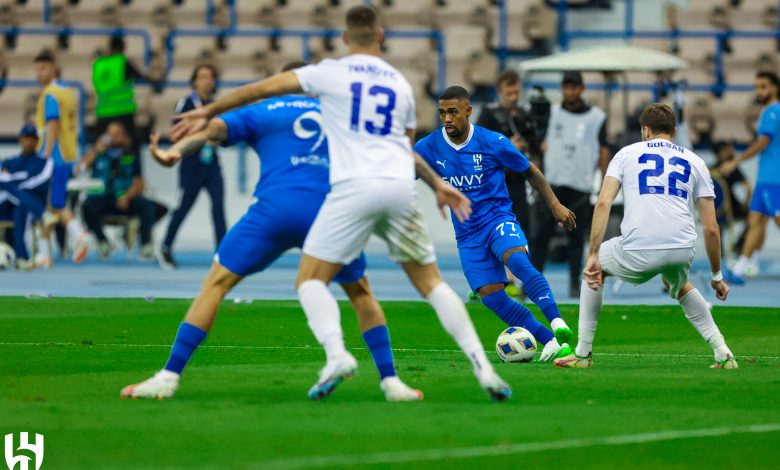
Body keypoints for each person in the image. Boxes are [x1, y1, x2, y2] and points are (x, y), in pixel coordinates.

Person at [172, 5, 513, 401]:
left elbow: (262, 89)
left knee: (309, 279)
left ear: (346, 38)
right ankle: (483, 368)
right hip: (399, 188)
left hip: (354, 187)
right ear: (381, 36)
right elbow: (403, 148)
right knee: (431, 283)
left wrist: (210, 108)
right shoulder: (400, 84)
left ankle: (336, 354)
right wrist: (437, 184)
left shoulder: (329, 73)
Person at [121, 62, 422, 402]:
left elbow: (212, 131)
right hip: (328, 212)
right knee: (361, 293)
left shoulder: (263, 109)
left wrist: (174, 151)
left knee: (215, 284)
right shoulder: (341, 113)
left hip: (274, 210)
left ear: (282, 83)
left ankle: (169, 376)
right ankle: (391, 383)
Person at [554, 103, 737, 370]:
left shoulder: (626, 154)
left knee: (594, 272)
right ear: (674, 131)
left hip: (639, 247)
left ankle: (582, 353)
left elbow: (604, 203)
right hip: (682, 248)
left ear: (645, 131)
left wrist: (593, 255)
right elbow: (711, 228)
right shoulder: (696, 161)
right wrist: (717, 276)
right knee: (679, 283)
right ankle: (723, 353)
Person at [415, 86, 577, 360]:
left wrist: (555, 204)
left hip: (498, 219)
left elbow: (530, 170)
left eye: (453, 112)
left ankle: (557, 322)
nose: (447, 119)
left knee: (518, 263)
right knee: (491, 296)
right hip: (467, 234)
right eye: (442, 113)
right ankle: (549, 340)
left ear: (468, 111)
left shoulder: (493, 141)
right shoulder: (428, 147)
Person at [532, 71, 610, 297]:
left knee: (576, 239)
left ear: (582, 89)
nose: (570, 91)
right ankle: (534, 282)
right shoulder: (551, 113)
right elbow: (539, 142)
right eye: (567, 86)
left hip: (580, 184)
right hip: (552, 184)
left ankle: (576, 284)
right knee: (541, 236)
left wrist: (604, 180)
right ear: (563, 88)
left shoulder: (597, 117)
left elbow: (603, 148)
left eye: (574, 87)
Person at [159, 64, 226, 270]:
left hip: (211, 163)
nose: (207, 81)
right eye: (203, 77)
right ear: (194, 81)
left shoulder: (216, 105)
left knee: (218, 208)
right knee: (183, 208)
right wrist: (199, 135)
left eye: (210, 77)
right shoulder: (186, 103)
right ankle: (165, 247)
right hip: (191, 163)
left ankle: (222, 255)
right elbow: (174, 133)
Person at [719, 71, 780, 284]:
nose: (759, 91)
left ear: (774, 88)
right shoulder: (768, 112)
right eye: (756, 87)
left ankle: (743, 267)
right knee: (755, 221)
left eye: (763, 87)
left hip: (775, 179)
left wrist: (735, 162)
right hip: (766, 179)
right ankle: (740, 270)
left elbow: (762, 143)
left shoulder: (773, 112)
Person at [34, 51, 89, 267]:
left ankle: (80, 236)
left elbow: (52, 125)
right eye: (37, 70)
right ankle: (44, 254)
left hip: (53, 156)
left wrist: (44, 156)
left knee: (54, 204)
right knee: (49, 205)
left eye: (42, 69)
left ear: (53, 68)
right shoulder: (69, 92)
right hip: (68, 154)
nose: (39, 74)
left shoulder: (51, 94)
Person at [80, 121, 158, 260]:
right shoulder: (98, 153)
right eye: (110, 134)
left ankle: (145, 244)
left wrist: (127, 197)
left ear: (124, 136)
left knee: (148, 206)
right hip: (103, 197)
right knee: (87, 206)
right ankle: (103, 241)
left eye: (117, 134)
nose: (113, 138)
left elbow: (139, 182)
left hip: (125, 199)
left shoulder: (131, 155)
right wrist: (96, 150)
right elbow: (81, 168)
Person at [0, 124, 52, 268]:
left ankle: (22, 257)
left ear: (37, 141)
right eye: (26, 138)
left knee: (20, 207)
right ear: (20, 139)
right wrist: (16, 181)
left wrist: (11, 181)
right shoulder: (8, 161)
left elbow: (40, 183)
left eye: (32, 138)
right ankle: (43, 214)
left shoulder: (44, 162)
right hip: (5, 203)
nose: (29, 141)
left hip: (26, 206)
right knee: (10, 190)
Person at [710, 141, 753, 258]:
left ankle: (720, 251)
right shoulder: (731, 168)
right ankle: (738, 247)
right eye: (728, 149)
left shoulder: (709, 170)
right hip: (732, 210)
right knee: (754, 219)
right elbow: (749, 188)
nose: (732, 150)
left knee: (718, 225)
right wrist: (745, 204)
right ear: (720, 153)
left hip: (714, 213)